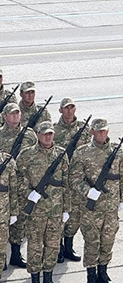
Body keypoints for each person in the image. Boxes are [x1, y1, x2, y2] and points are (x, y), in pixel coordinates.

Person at [70, 118, 123, 283]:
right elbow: (74, 180)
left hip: (111, 206)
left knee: (108, 239)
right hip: (91, 208)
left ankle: (103, 271)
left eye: (104, 131)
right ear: (92, 132)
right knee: (92, 241)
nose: (102, 134)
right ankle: (91, 274)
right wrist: (88, 192)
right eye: (99, 131)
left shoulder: (117, 151)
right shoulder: (82, 152)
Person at [17, 121, 70, 283]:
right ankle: (35, 278)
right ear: (38, 135)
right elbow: (18, 179)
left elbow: (66, 183)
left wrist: (66, 208)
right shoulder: (27, 155)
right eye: (44, 133)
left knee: (53, 246)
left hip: (55, 211)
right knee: (34, 247)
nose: (48, 137)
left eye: (50, 134)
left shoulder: (60, 155)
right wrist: (29, 193)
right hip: (35, 212)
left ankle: (48, 277)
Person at [0, 103, 36, 268]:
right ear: (4, 116)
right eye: (11, 114)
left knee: (20, 220)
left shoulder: (29, 135)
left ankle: (15, 253)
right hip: (4, 185)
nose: (15, 116)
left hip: (23, 184)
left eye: (17, 113)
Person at [53, 99, 89, 264]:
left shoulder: (84, 129)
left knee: (75, 216)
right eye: (66, 108)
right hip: (61, 181)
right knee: (61, 216)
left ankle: (68, 247)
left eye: (72, 108)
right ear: (60, 111)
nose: (69, 111)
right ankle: (59, 249)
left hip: (78, 179)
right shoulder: (54, 130)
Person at [0, 138, 19, 272]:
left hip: (3, 215)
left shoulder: (8, 161)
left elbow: (13, 190)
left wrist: (14, 212)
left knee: (1, 250)